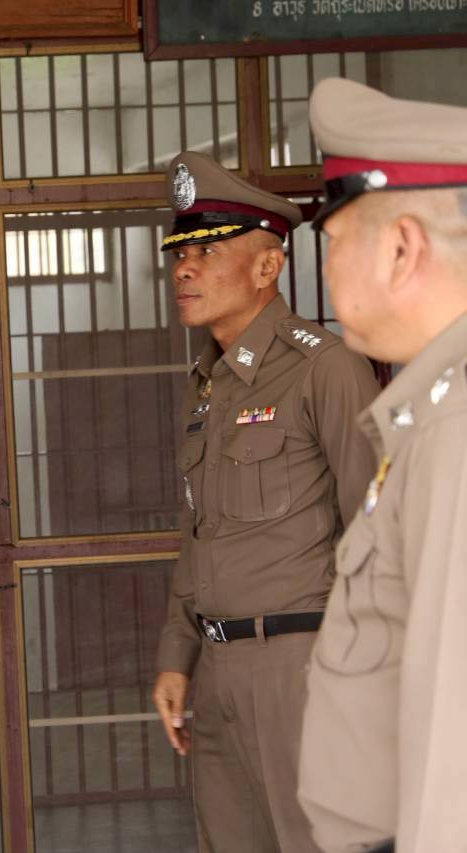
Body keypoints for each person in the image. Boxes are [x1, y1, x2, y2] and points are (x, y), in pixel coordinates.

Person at [149, 151, 380, 853]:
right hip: (217, 667)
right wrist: (177, 654)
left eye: (208, 251)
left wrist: (368, 678)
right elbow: (201, 532)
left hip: (302, 666)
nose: (184, 269)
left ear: (268, 266)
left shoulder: (325, 369)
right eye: (180, 252)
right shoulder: (207, 384)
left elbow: (375, 532)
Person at [297, 78, 467, 853]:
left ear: (402, 248)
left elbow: (453, 736)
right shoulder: (434, 406)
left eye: (334, 241)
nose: (327, 269)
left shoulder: (454, 429)